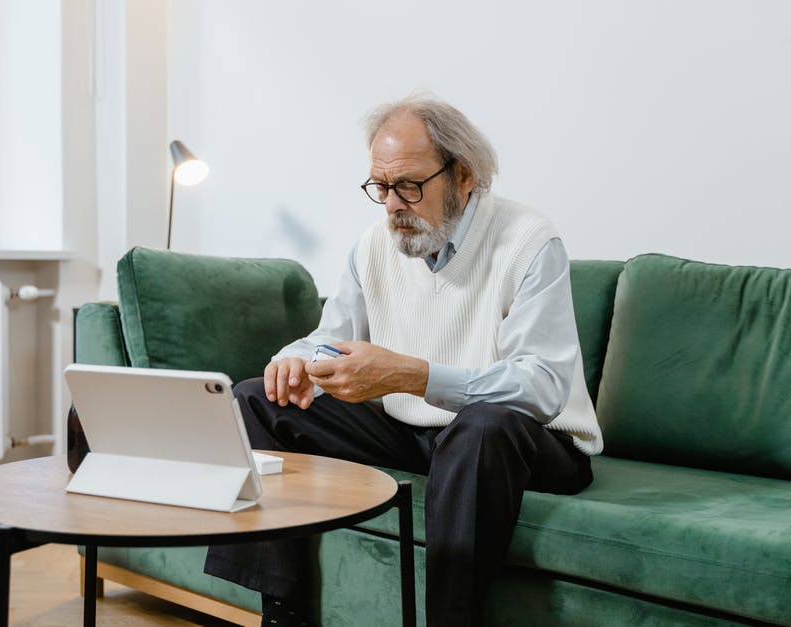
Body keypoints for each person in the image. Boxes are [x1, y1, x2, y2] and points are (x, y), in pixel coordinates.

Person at [204, 94, 604, 627]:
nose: (392, 204)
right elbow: (331, 337)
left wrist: (413, 376)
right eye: (381, 187)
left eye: (409, 186)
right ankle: (282, 613)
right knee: (257, 396)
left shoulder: (529, 240)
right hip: (419, 436)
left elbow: (541, 386)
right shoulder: (373, 246)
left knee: (483, 424)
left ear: (463, 176)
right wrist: (293, 360)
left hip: (532, 443)